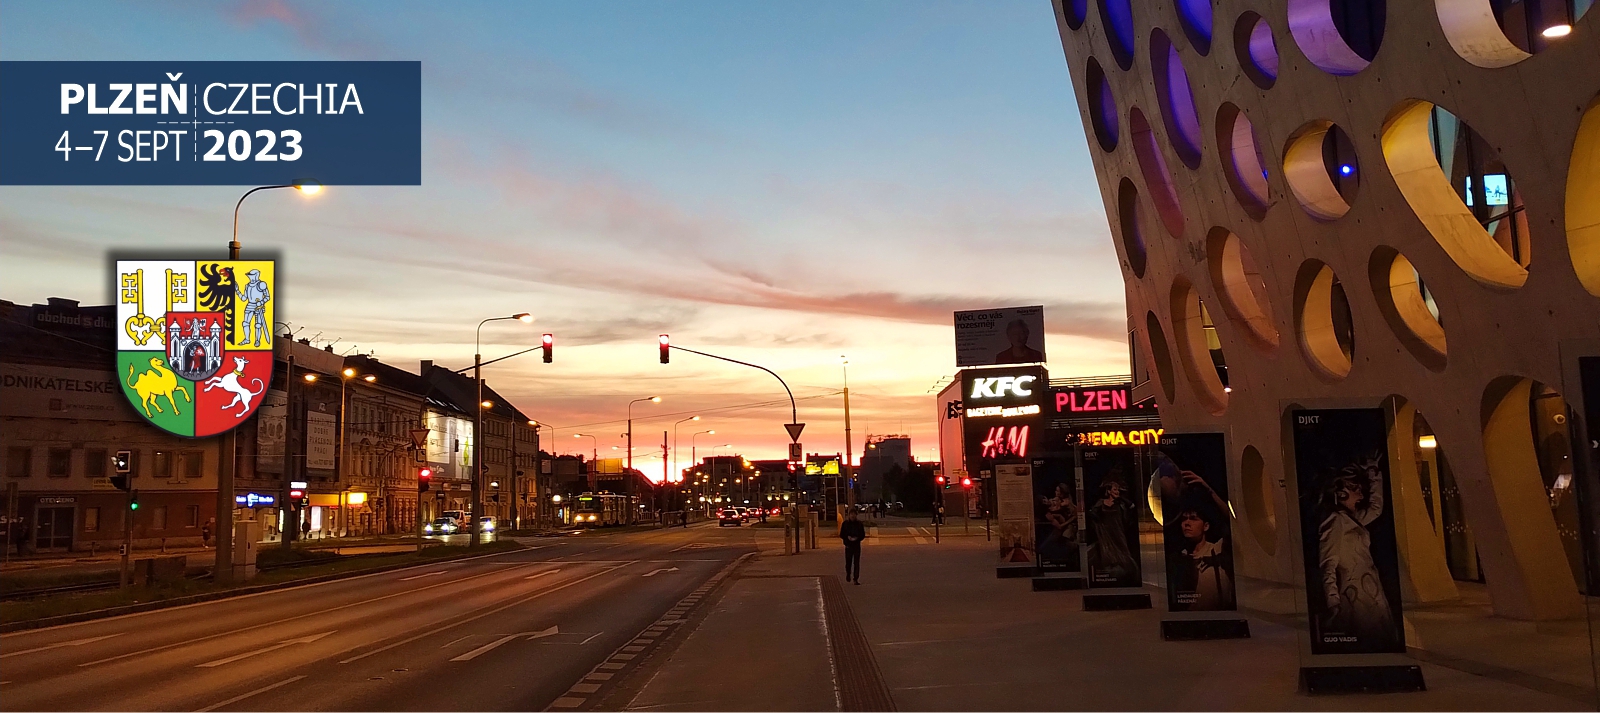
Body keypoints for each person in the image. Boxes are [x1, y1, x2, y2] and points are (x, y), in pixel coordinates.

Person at [1316, 460, 1396, 649]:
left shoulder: (1352, 519)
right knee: (1366, 634)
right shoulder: (1335, 522)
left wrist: (1374, 474)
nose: (1360, 494)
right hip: (1353, 592)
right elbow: (1328, 564)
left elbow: (1376, 508)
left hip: (1371, 587)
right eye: (1354, 489)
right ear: (1340, 493)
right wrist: (1333, 601)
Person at [1173, 508, 1234, 610]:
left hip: (1218, 617)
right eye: (1184, 519)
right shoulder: (1179, 557)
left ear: (1206, 526)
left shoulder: (1217, 549)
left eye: (1193, 519)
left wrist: (1211, 493)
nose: (1187, 523)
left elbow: (1232, 520)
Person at [1086, 479, 1138, 583]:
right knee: (1108, 551)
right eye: (1115, 489)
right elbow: (1092, 513)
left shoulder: (1120, 504)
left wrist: (1122, 499)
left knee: (1122, 549)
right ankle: (1111, 570)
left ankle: (1130, 572)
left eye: (1118, 490)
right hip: (1106, 532)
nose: (1117, 492)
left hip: (1118, 530)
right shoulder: (1101, 503)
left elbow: (1131, 509)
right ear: (1109, 491)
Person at [840, 508, 866, 584]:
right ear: (849, 515)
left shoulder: (859, 524)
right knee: (848, 562)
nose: (853, 516)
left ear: (856, 515)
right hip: (848, 546)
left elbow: (862, 534)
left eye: (854, 514)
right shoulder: (845, 524)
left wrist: (857, 538)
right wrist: (847, 538)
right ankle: (848, 574)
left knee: (856, 562)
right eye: (851, 514)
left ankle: (856, 578)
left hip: (856, 545)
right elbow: (842, 534)